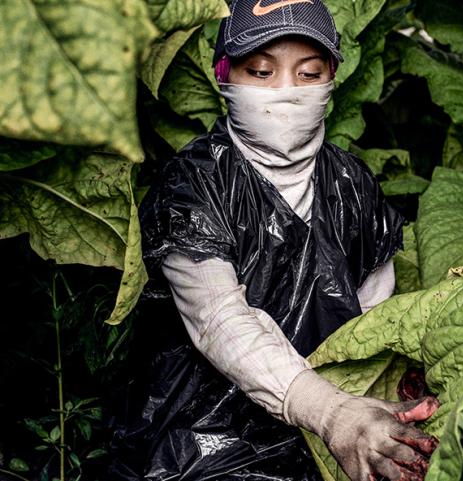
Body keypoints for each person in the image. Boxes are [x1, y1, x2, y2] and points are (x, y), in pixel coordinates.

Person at [107, 1, 439, 480]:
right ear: (224, 75)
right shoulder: (193, 185)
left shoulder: (352, 182)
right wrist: (332, 414)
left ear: (332, 77)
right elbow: (219, 319)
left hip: (335, 418)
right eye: (261, 71)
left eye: (308, 74)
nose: (285, 93)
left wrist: (373, 402)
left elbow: (372, 319)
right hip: (200, 436)